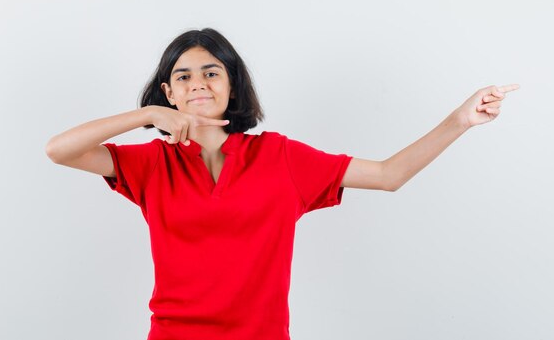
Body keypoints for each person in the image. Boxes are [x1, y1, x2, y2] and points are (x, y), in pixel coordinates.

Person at [45, 28, 520, 340]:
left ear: (232, 85)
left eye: (212, 72)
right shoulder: (153, 164)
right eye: (183, 77)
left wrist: (460, 120)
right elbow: (58, 149)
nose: (199, 84)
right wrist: (147, 114)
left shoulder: (280, 157)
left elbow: (387, 175)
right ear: (169, 92)